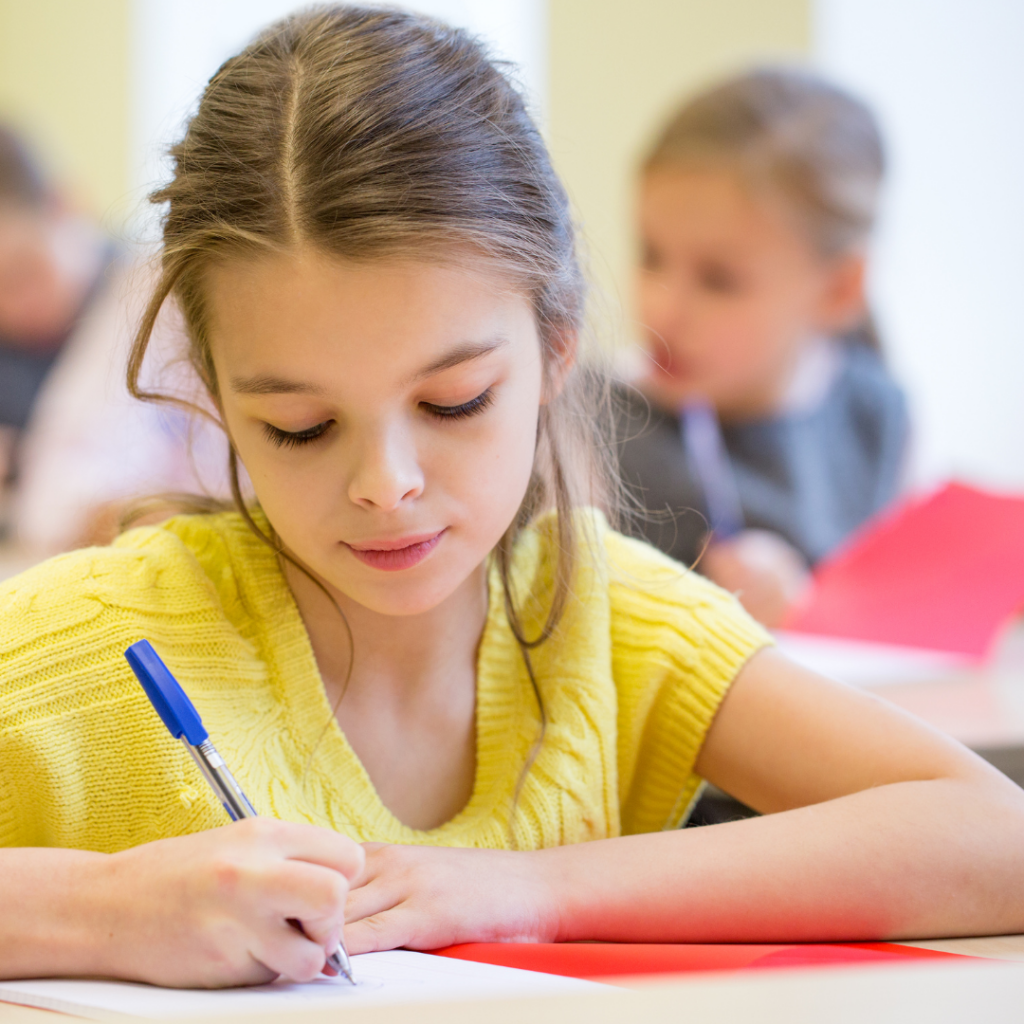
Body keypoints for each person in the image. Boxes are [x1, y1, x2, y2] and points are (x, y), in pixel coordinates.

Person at [1, 7, 1022, 990]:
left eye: (455, 401)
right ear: (216, 394)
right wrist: (106, 907)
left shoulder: (608, 620)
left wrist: (522, 889)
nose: (386, 484)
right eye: (301, 426)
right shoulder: (95, 637)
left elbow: (994, 837)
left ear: (557, 349)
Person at [616, 69, 909, 628]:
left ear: (839, 288)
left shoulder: (877, 414)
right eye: (650, 255)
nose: (662, 309)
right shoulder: (592, 428)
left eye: (719, 280)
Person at [0, 124, 225, 554]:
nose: (14, 310)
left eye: (22, 272)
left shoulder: (147, 293)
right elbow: (51, 499)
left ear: (63, 206)